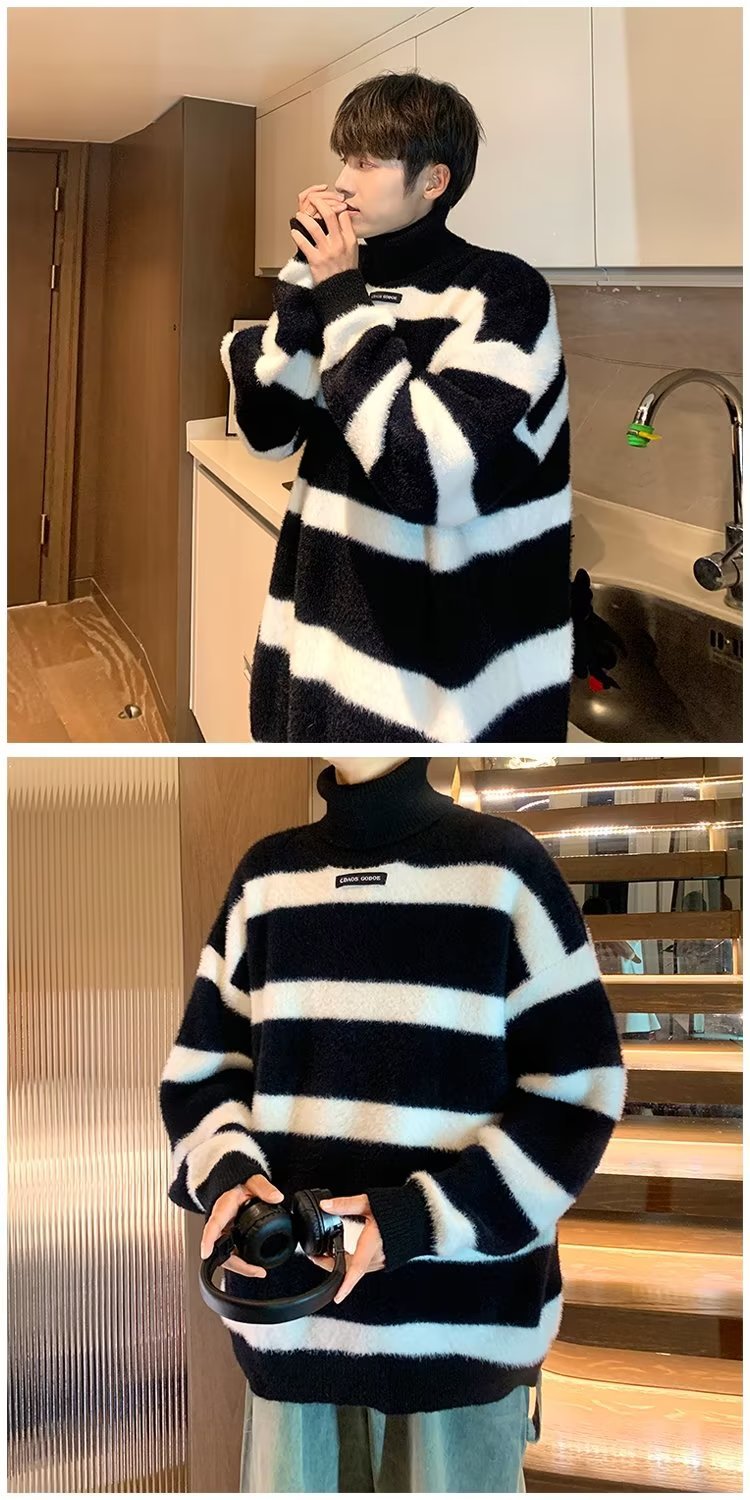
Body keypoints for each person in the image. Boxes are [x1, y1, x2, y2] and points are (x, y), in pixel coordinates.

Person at [159, 757, 627, 1491]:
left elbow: (576, 1100)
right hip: (293, 1330)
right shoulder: (266, 880)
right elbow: (203, 1075)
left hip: (461, 1338)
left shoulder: (506, 870)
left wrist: (422, 1218)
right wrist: (230, 1178)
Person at [221, 72, 577, 743]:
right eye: (343, 159)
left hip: (435, 677)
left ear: (433, 181)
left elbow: (430, 475)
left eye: (366, 163)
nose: (341, 184)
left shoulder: (501, 292)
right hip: (318, 630)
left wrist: (341, 295)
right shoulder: (344, 281)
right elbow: (268, 432)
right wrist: (305, 281)